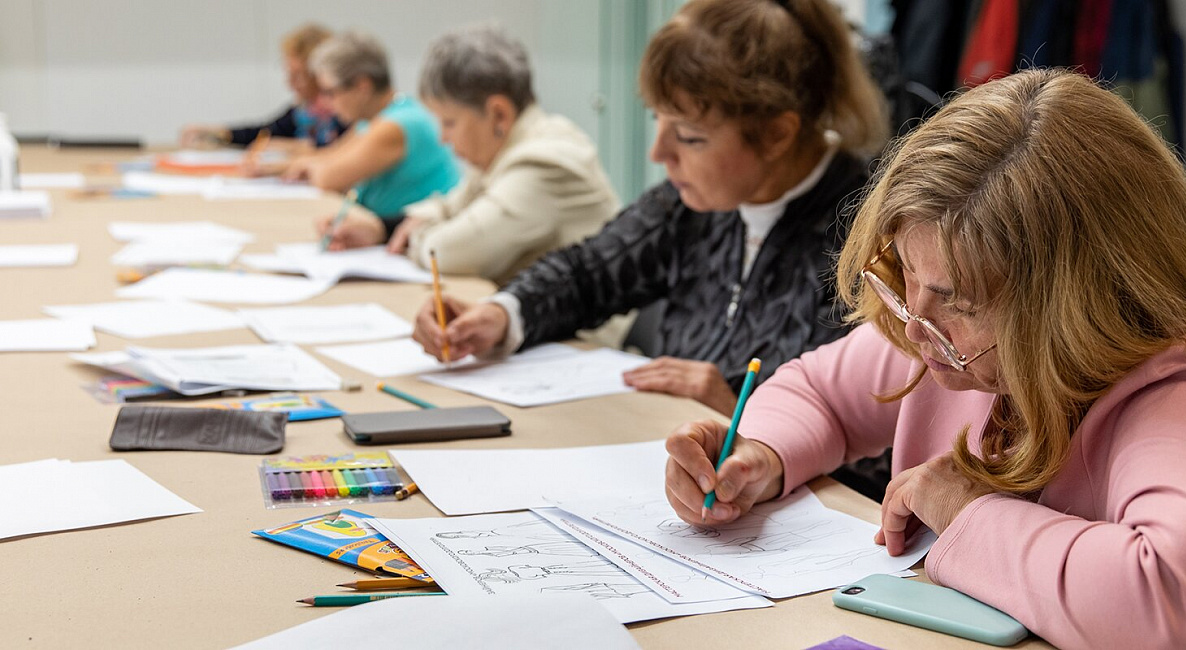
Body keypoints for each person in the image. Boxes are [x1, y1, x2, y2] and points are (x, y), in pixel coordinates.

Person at [663, 68, 1186, 649]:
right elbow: (820, 391)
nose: (913, 325)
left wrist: (967, 512)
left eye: (956, 301)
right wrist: (759, 454)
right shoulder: (945, 332)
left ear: (1073, 302)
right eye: (905, 275)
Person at [413, 0, 890, 417]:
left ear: (777, 135)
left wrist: (748, 414)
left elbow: (881, 427)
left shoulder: (874, 240)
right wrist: (501, 314)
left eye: (689, 136)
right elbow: (588, 273)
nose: (658, 154)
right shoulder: (694, 203)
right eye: (657, 122)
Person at [318, 26, 620, 285]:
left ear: (498, 114)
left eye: (449, 123)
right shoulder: (508, 146)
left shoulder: (544, 162)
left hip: (582, 343)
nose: (443, 137)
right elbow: (450, 207)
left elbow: (448, 253)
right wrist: (382, 229)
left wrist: (416, 235)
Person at [285, 31, 460, 221]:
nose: (327, 103)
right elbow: (330, 155)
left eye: (331, 92)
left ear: (362, 86)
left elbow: (327, 178)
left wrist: (311, 166)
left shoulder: (396, 125)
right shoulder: (372, 119)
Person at [179, 24, 345, 150]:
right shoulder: (303, 110)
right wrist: (216, 132)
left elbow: (339, 149)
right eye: (289, 74)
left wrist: (291, 147)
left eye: (298, 75)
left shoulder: (343, 112)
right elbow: (265, 132)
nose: (290, 83)